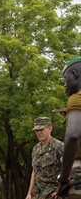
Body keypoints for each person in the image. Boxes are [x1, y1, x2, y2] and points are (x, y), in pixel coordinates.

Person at [57, 56, 81, 198]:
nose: (65, 85)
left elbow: (73, 135)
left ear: (74, 75)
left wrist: (63, 179)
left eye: (65, 80)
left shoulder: (76, 98)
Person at [25, 117, 63, 199]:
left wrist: (60, 190)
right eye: (37, 130)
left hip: (52, 193)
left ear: (50, 129)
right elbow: (34, 172)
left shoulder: (59, 147)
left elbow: (68, 169)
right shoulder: (36, 149)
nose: (39, 133)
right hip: (37, 193)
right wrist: (29, 193)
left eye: (41, 130)